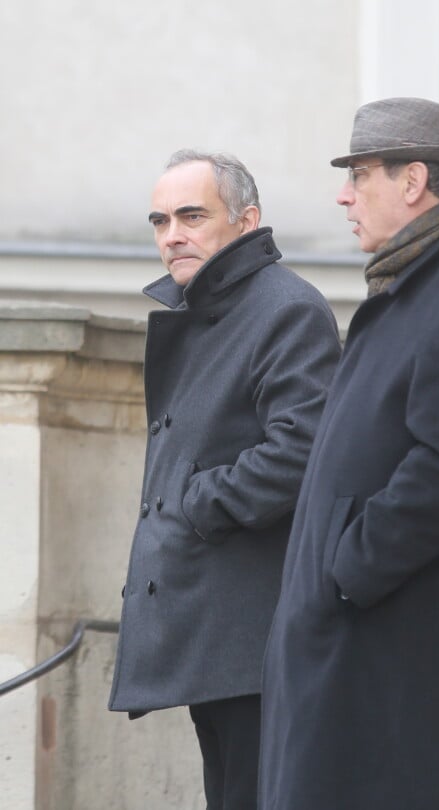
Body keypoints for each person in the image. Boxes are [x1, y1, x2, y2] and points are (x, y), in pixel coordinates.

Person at [259, 98, 439, 810]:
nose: (343, 195)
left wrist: (345, 574)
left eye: (360, 175)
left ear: (412, 181)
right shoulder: (411, 288)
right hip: (357, 650)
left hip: (393, 663)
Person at [108, 150, 341, 810]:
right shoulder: (211, 308)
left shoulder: (285, 307)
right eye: (160, 220)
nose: (172, 234)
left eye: (192, 215)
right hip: (214, 633)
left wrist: (194, 504)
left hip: (252, 638)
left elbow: (301, 453)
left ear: (246, 221)